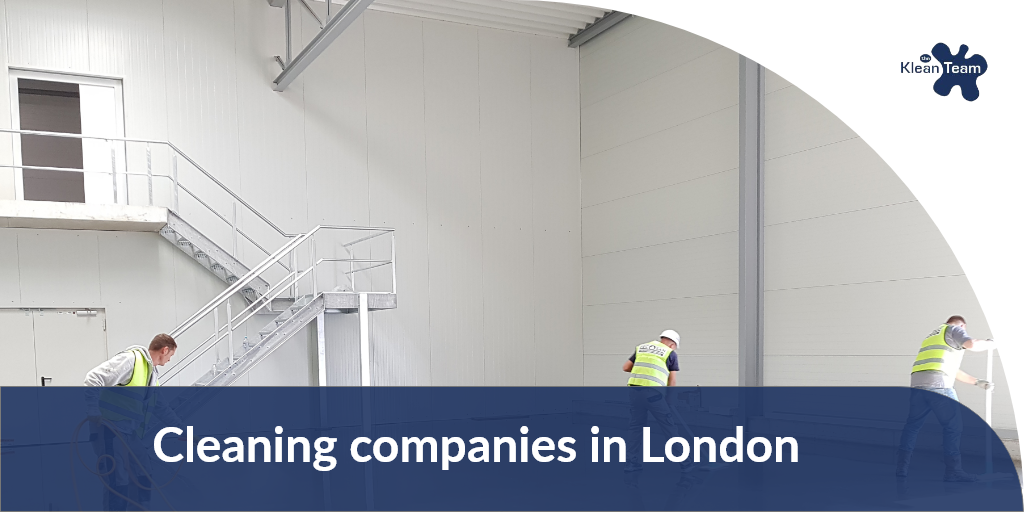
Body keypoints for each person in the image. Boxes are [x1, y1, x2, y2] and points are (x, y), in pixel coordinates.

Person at [84, 334, 186, 511]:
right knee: (117, 481)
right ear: (165, 350)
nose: (170, 359)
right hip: (109, 430)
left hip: (130, 434)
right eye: (171, 355)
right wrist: (93, 410)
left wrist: (183, 431)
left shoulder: (152, 376)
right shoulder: (131, 360)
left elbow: (162, 408)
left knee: (143, 472)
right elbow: (93, 377)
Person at [896, 316, 996, 482]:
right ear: (962, 325)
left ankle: (901, 468)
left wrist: (977, 382)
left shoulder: (932, 337)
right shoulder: (953, 329)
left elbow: (952, 370)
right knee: (953, 427)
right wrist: (991, 343)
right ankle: (953, 471)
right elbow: (972, 344)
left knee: (912, 426)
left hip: (918, 387)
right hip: (939, 386)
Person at [622, 330, 692, 472]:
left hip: (634, 393)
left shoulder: (642, 348)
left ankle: (631, 463)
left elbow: (626, 367)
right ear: (672, 344)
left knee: (635, 428)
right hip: (653, 395)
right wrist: (669, 401)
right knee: (669, 427)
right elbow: (672, 381)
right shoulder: (670, 353)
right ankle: (686, 464)